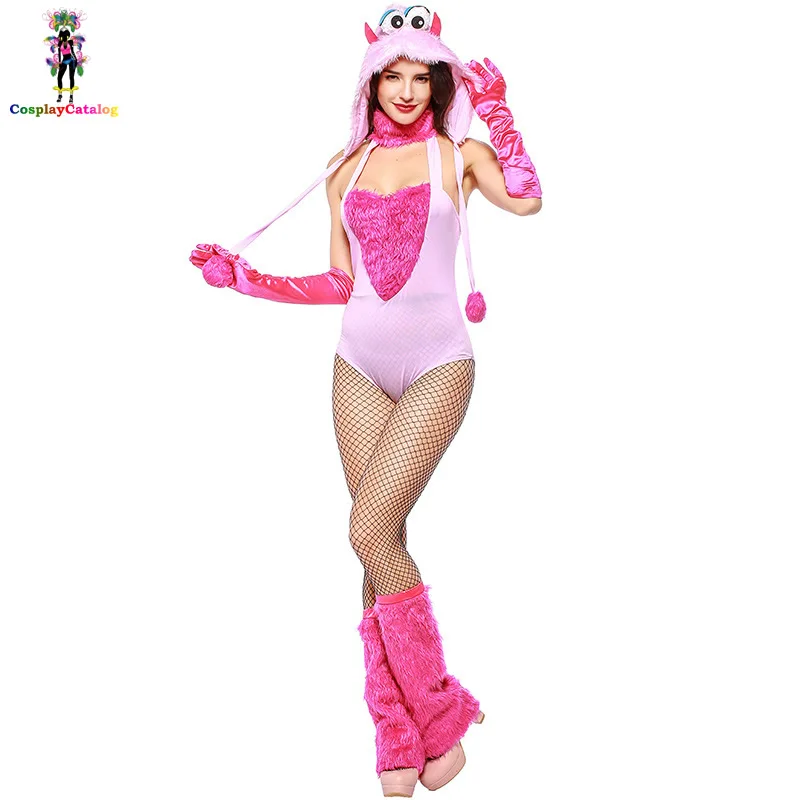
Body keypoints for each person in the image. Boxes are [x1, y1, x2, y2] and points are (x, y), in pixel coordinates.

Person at [189, 5, 542, 797]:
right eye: (394, 76)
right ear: (372, 81)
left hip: (438, 361)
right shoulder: (343, 168)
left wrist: (499, 112)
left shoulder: (459, 154)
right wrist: (245, 279)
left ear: (438, 82)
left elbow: (526, 199)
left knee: (367, 528)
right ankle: (395, 732)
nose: (408, 91)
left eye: (422, 77)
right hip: (357, 363)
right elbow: (337, 283)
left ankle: (438, 716)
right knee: (381, 542)